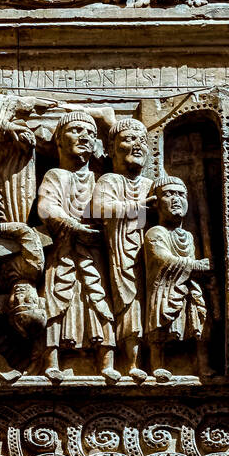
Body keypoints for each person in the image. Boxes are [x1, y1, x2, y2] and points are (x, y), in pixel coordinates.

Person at [37, 111, 117, 382]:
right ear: (58, 140)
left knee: (99, 299)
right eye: (76, 130)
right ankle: (52, 361)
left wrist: (109, 121)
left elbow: (129, 151)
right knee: (57, 300)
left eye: (91, 134)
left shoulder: (102, 179)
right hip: (63, 251)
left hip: (95, 254)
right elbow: (46, 208)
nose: (85, 137)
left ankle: (106, 362)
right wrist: (74, 226)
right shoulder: (55, 175)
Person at [91, 118, 152, 381]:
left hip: (149, 255)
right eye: (128, 139)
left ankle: (153, 359)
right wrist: (136, 207)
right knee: (128, 302)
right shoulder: (110, 181)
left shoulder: (150, 185)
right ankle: (128, 362)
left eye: (142, 141)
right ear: (112, 149)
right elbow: (97, 208)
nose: (137, 145)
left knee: (148, 303)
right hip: (118, 251)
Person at [144, 175, 211, 381]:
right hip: (164, 288)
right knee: (159, 327)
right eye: (169, 194)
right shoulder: (155, 232)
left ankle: (203, 364)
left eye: (181, 194)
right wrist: (196, 265)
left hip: (188, 286)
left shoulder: (189, 236)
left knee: (198, 322)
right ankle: (158, 363)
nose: (176, 199)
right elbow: (162, 259)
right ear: (155, 203)